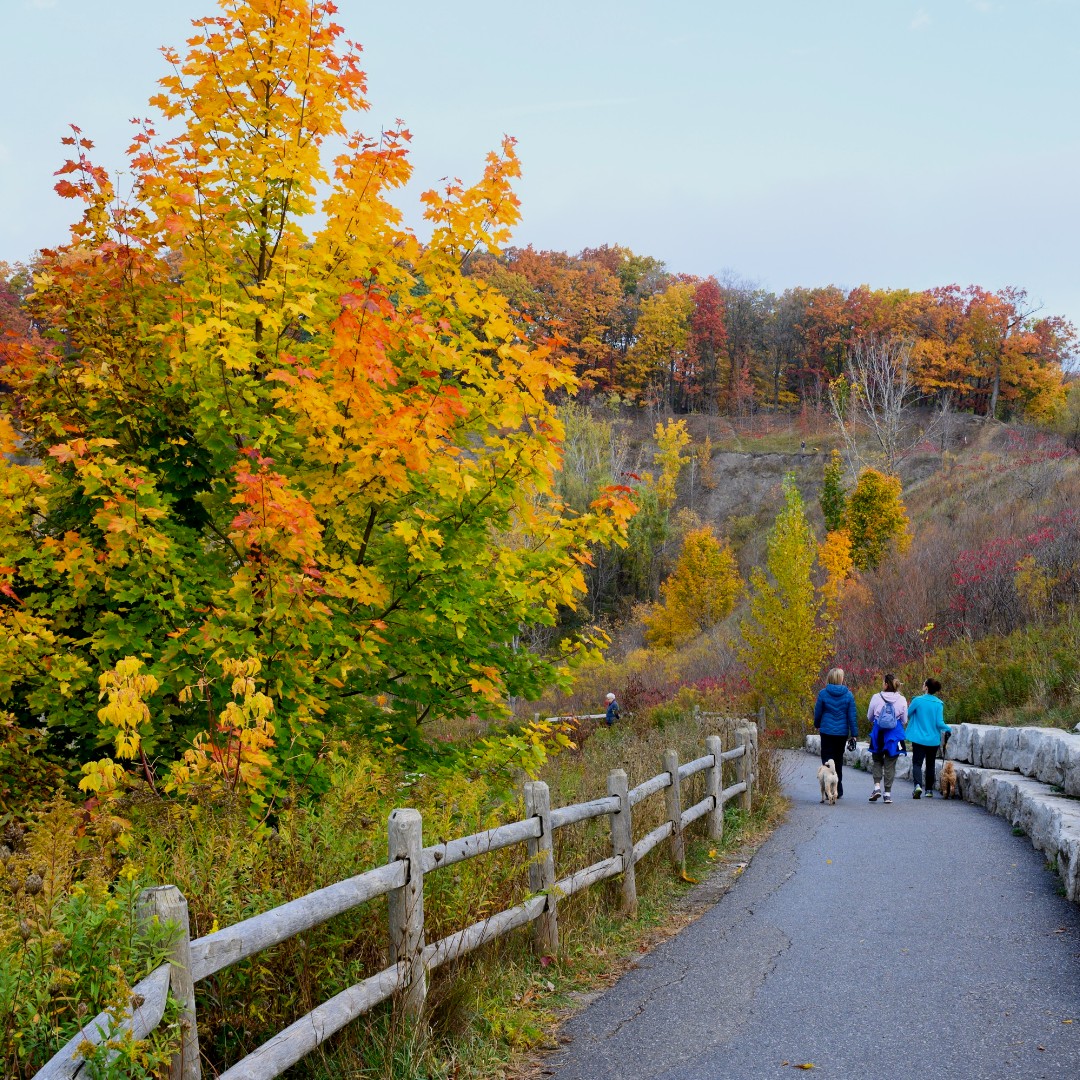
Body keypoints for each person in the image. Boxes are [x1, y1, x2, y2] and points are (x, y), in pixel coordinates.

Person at [813, 667, 857, 799]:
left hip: (826, 731)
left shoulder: (823, 693)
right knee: (838, 760)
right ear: (841, 679)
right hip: (841, 732)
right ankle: (838, 788)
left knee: (826, 760)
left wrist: (817, 724)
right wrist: (854, 733)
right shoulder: (848, 695)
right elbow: (852, 716)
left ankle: (827, 790)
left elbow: (818, 712)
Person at [906, 677, 951, 798]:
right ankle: (929, 790)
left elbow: (907, 714)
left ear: (926, 687)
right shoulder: (939, 703)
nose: (922, 684)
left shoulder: (917, 701)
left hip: (918, 738)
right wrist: (948, 729)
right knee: (930, 764)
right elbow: (939, 723)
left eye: (923, 683)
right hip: (933, 740)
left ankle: (917, 786)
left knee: (917, 763)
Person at [867, 673, 908, 804]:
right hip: (895, 735)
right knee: (890, 764)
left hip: (878, 734)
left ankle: (877, 787)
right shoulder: (902, 699)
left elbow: (870, 716)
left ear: (885, 684)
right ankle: (888, 794)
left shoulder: (876, 697)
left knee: (877, 760)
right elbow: (904, 720)